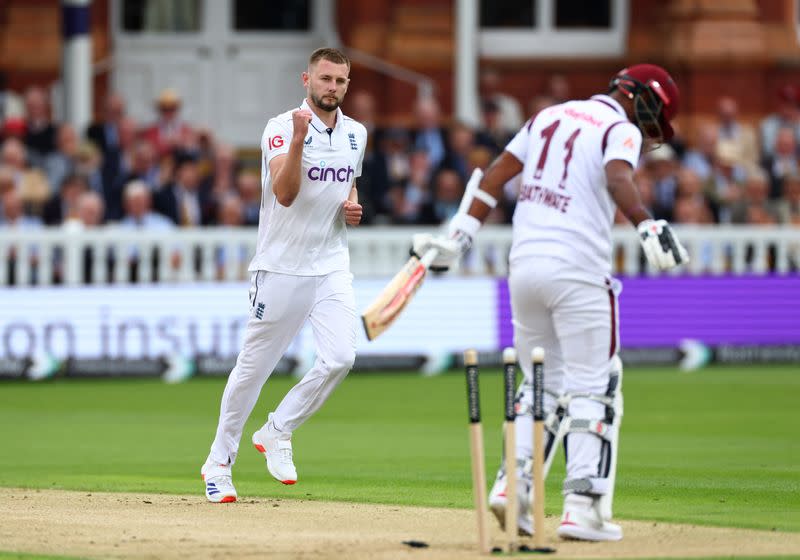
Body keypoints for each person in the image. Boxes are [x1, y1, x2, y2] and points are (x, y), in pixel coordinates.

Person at [412, 64, 689, 541]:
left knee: (539, 385)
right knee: (595, 386)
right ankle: (582, 508)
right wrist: (646, 223)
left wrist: (458, 236)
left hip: (524, 270)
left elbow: (495, 176)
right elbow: (619, 176)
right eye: (654, 117)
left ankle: (510, 486)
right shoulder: (617, 127)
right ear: (641, 98)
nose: (649, 131)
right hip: (578, 269)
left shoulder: (548, 116)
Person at [200, 47, 366, 503]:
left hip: (331, 264)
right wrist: (298, 141)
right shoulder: (280, 127)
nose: (332, 88)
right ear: (306, 79)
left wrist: (351, 204)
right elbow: (287, 194)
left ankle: (278, 430)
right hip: (280, 267)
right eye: (325, 79)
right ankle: (218, 462)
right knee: (253, 371)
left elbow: (348, 178)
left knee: (340, 358)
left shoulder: (356, 133)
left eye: (341, 81)